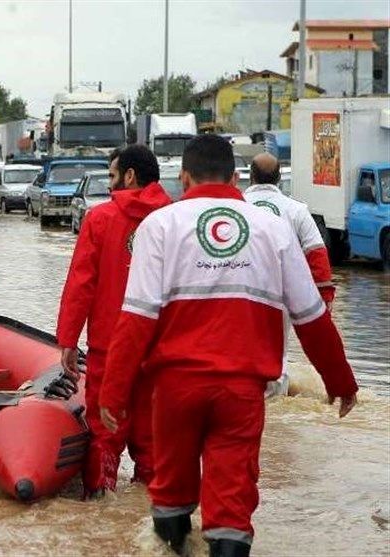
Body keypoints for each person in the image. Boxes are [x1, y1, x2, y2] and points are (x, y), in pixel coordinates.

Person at [99, 135, 358, 557]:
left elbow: (137, 318)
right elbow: (311, 315)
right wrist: (340, 380)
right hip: (242, 391)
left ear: (183, 178)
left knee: (170, 492)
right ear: (235, 178)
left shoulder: (160, 225)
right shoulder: (273, 227)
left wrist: (114, 391)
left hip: (174, 390)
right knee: (232, 509)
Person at [55, 145, 171, 498]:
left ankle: (99, 509)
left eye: (112, 175)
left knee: (104, 438)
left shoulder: (100, 219)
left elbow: (81, 284)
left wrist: (68, 340)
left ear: (130, 176)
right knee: (154, 445)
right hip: (161, 351)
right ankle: (149, 517)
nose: (109, 184)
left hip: (110, 348)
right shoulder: (175, 219)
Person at [244, 153, 335, 397]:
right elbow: (317, 254)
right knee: (276, 353)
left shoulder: (236, 206)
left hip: (237, 289)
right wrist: (324, 298)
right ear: (279, 179)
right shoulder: (296, 210)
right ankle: (276, 406)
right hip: (280, 294)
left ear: (250, 177)